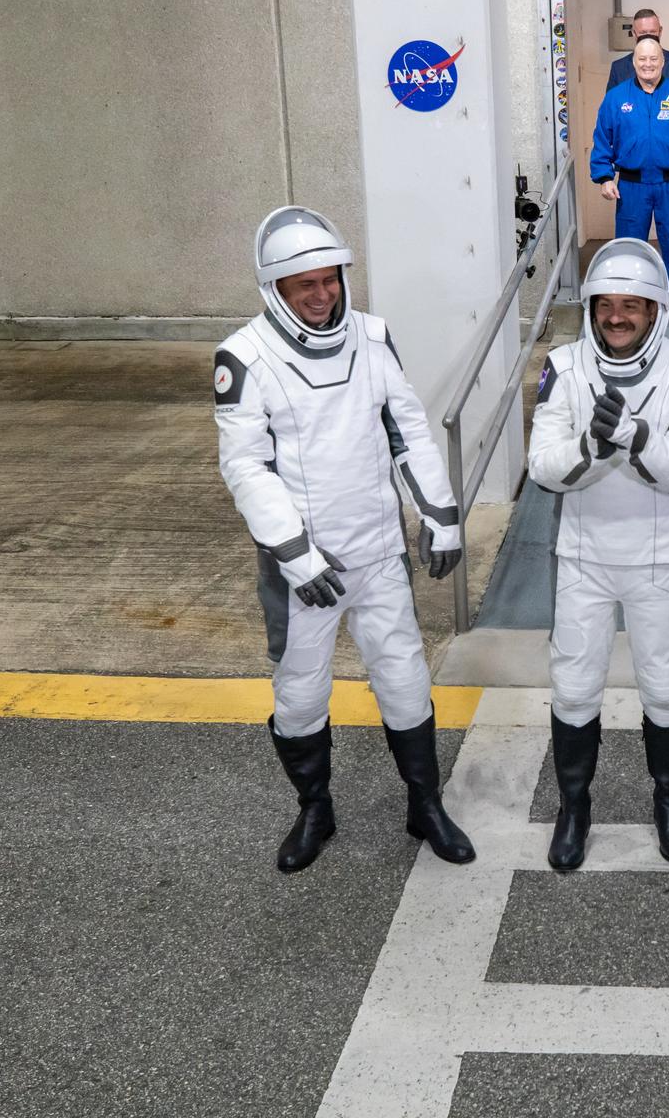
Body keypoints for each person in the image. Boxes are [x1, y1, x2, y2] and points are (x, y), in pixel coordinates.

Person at [214, 206, 473, 875]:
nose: (322, 293)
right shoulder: (244, 357)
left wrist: (440, 515)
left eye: (329, 279)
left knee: (407, 684)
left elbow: (409, 428)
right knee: (300, 697)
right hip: (304, 570)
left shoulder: (372, 336)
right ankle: (314, 809)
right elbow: (245, 465)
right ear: (276, 288)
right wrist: (293, 551)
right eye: (306, 284)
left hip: (379, 552)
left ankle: (425, 803)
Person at [526, 238, 669, 871]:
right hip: (582, 556)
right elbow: (544, 467)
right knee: (575, 689)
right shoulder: (564, 366)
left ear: (657, 308)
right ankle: (574, 806)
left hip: (659, 559)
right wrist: (596, 447)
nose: (617, 316)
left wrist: (634, 435)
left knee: (666, 688)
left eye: (632, 305)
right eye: (606, 304)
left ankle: (668, 801)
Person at [593, 35, 669, 332]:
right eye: (642, 59)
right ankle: (630, 306)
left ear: (663, 62)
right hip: (632, 187)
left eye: (654, 59)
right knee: (629, 248)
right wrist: (604, 176)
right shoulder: (616, 98)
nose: (648, 65)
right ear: (633, 63)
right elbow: (602, 138)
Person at [606, 8, 669, 92]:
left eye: (653, 32)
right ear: (634, 33)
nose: (648, 36)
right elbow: (610, 106)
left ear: (660, 32)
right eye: (643, 32)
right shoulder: (619, 68)